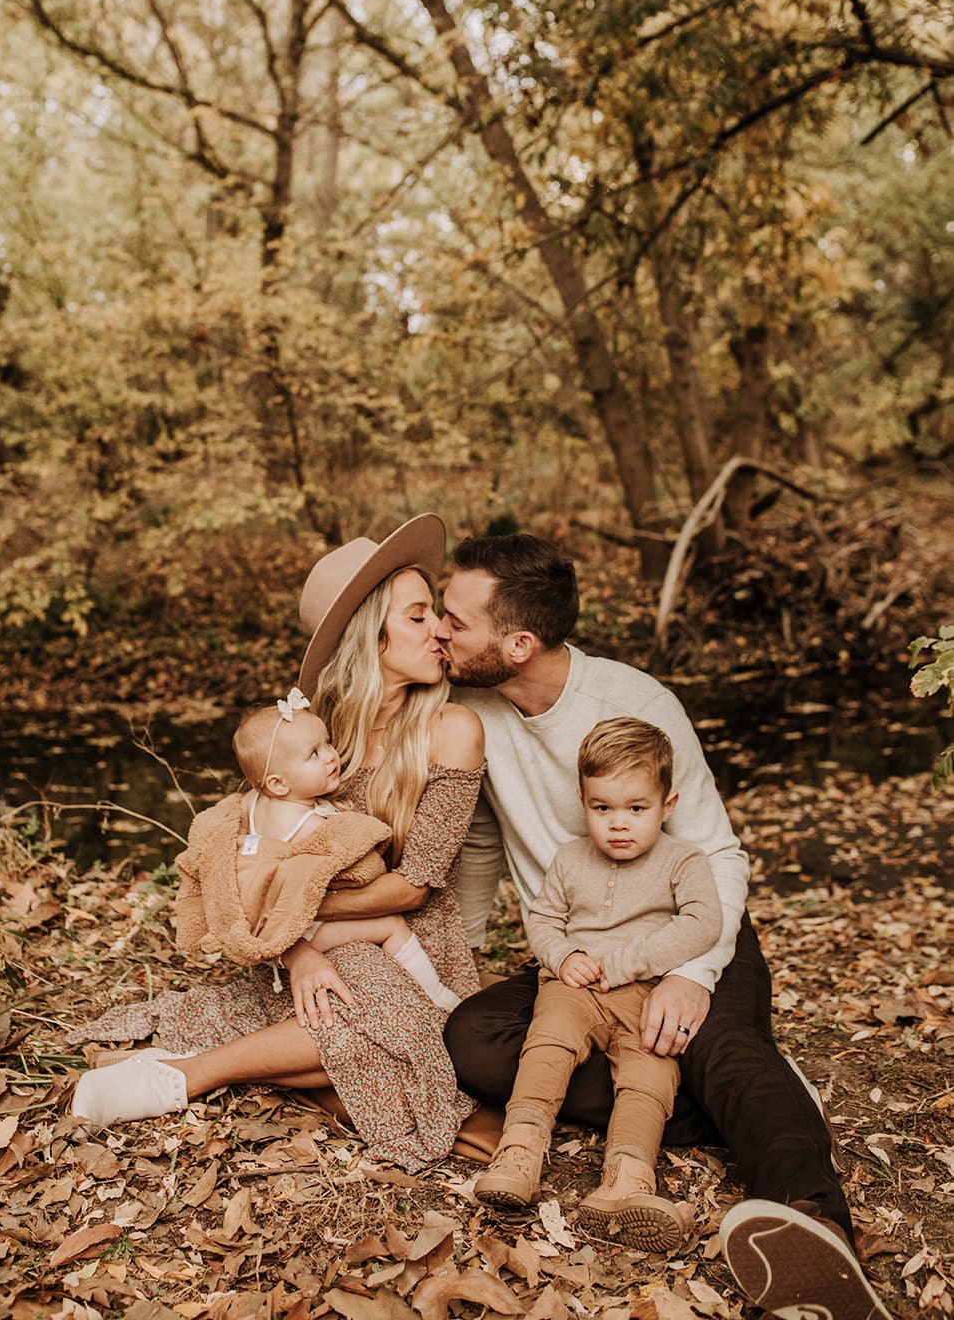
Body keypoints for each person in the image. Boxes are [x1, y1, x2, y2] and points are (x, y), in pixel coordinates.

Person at [439, 533, 893, 1320]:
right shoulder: (468, 710)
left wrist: (693, 972)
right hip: (584, 954)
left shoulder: (635, 703)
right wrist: (465, 948)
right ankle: (713, 1106)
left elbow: (717, 850)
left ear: (516, 643)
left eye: (452, 619)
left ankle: (817, 1228)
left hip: (687, 925)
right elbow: (481, 840)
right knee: (473, 1039)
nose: (439, 631)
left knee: (719, 1048)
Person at [69, 514, 486, 1172]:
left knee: (406, 1032)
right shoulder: (321, 731)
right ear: (368, 635)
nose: (439, 629)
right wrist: (293, 949)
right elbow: (256, 842)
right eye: (417, 616)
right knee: (347, 1022)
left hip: (406, 933)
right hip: (310, 931)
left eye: (434, 614)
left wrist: (298, 918)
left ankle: (185, 1075)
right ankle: (233, 1060)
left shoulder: (451, 729)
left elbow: (416, 885)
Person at [476, 716, 722, 1253]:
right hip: (576, 985)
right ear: (583, 800)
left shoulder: (684, 860)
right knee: (549, 1042)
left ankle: (627, 1179)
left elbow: (703, 921)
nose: (618, 824)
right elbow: (543, 921)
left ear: (668, 805)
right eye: (602, 808)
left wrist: (631, 963)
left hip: (647, 994)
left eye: (637, 809)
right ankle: (520, 1150)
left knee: (648, 1074)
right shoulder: (569, 858)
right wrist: (563, 956)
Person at [169, 692, 459, 1010]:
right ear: (279, 784)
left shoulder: (249, 804)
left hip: (260, 926)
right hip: (301, 930)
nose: (331, 757)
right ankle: (436, 997)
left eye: (327, 744)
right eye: (314, 754)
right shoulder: (314, 823)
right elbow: (355, 863)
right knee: (392, 925)